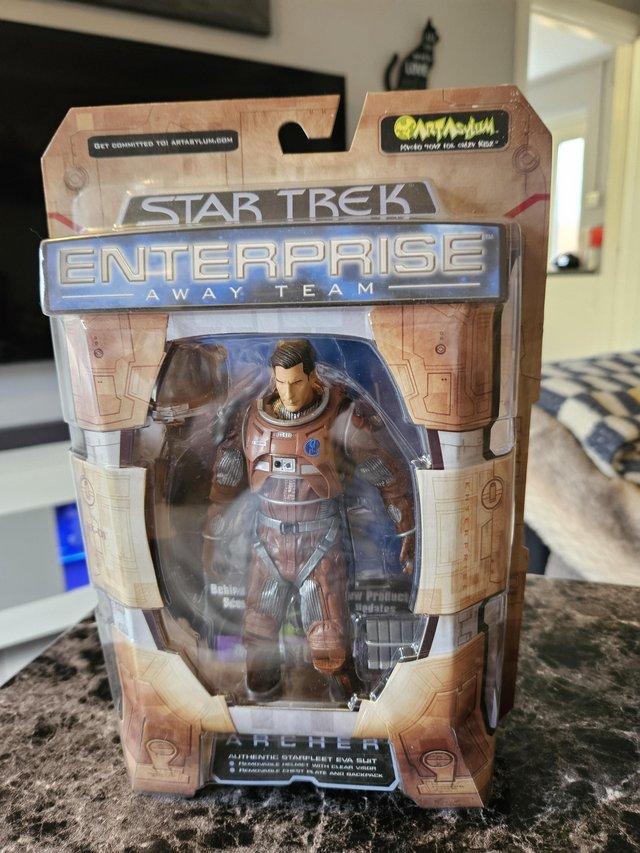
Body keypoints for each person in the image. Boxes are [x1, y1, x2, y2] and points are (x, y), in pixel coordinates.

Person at [203, 338, 414, 700]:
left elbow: (382, 471)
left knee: (329, 644)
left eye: (297, 382)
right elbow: (227, 470)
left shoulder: (340, 416)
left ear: (313, 377)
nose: (288, 393)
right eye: (281, 383)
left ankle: (352, 700)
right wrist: (213, 533)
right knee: (257, 639)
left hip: (320, 545)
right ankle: (260, 700)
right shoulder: (251, 418)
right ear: (273, 378)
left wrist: (406, 527)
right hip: (267, 544)